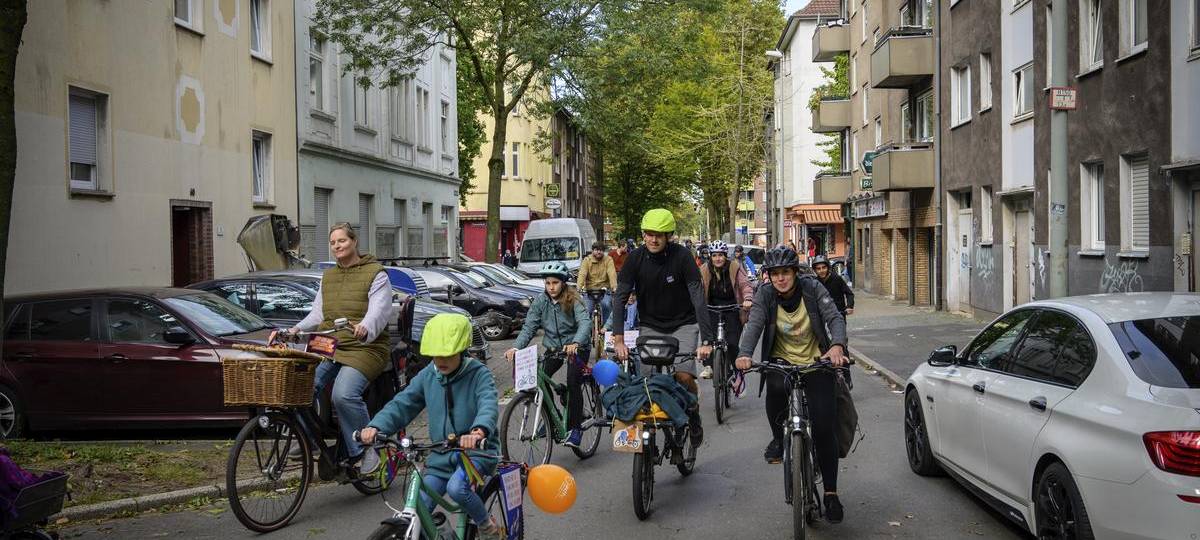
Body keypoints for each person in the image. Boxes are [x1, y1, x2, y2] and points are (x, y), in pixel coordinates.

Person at [359, 313, 502, 537]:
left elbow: (488, 403)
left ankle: (486, 525)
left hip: (475, 453)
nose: (440, 360)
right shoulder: (428, 375)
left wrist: (479, 430)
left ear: (461, 350)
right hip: (441, 455)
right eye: (435, 355)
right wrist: (376, 427)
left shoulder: (478, 374)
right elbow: (403, 404)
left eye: (447, 354)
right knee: (418, 510)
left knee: (457, 488)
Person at [734, 246, 848, 524]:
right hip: (782, 360)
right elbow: (755, 324)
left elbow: (834, 316)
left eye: (785, 272)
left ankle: (831, 493)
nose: (781, 278)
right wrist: (744, 353)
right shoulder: (765, 295)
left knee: (823, 427)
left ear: (795, 273)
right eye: (775, 274)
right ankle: (778, 438)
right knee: (774, 387)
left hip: (816, 361)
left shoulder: (812, 289)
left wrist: (836, 345)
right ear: (769, 276)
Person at [290, 223, 395, 475]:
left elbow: (379, 312)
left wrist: (365, 327)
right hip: (331, 344)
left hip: (364, 347)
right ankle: (312, 442)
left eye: (342, 241)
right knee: (298, 389)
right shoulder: (329, 276)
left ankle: (367, 448)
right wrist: (295, 330)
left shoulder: (376, 273)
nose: (337, 246)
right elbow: (317, 314)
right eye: (333, 242)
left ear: (354, 241)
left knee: (342, 394)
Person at [611, 209, 714, 445]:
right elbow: (620, 298)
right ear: (643, 235)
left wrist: (707, 341)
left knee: (683, 376)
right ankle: (650, 443)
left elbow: (698, 297)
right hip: (651, 326)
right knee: (646, 385)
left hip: (683, 324)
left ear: (669, 236)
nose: (653, 239)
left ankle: (693, 414)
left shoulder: (682, 257)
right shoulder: (635, 259)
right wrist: (618, 339)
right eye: (649, 234)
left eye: (659, 234)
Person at [504, 262, 592, 447]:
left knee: (573, 380)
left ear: (563, 283)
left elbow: (585, 323)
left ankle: (575, 429)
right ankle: (554, 418)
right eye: (548, 283)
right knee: (539, 380)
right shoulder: (540, 302)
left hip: (577, 348)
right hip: (553, 349)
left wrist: (576, 342)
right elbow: (529, 327)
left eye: (555, 283)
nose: (551, 287)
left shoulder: (573, 299)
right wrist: (516, 347)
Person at [698, 241, 754, 379]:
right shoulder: (704, 269)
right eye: (715, 255)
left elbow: (745, 285)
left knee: (733, 343)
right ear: (710, 257)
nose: (718, 258)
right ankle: (709, 366)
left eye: (721, 255)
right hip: (711, 308)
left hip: (732, 308)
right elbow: (698, 289)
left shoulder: (734, 267)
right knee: (708, 338)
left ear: (725, 256)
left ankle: (738, 375)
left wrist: (748, 299)